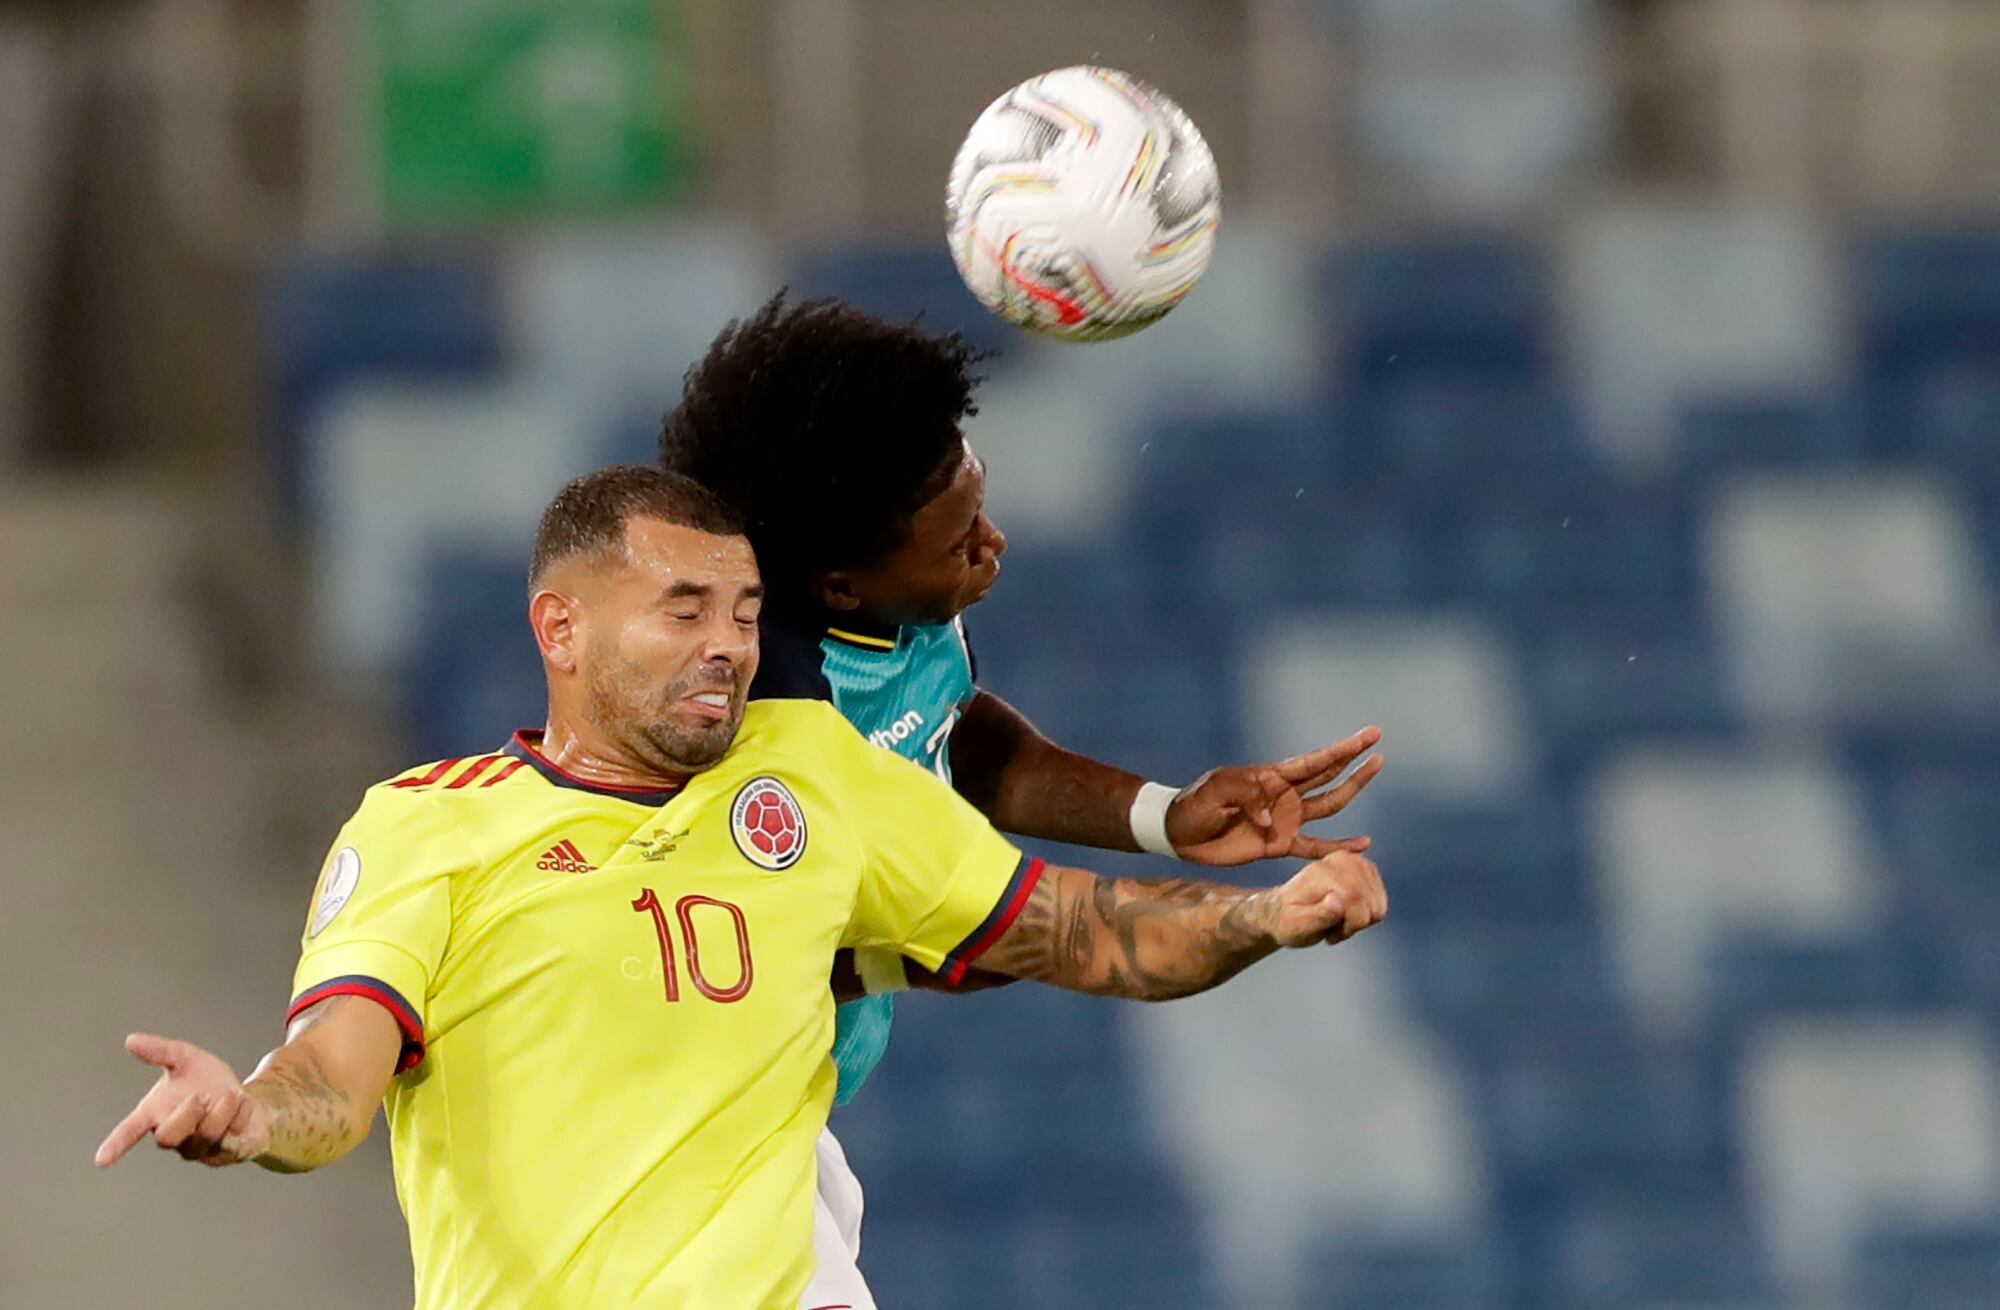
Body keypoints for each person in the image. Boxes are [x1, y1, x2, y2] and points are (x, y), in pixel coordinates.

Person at [94, 465, 1390, 1309]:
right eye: (682, 609)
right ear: (563, 629)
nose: (726, 642)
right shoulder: (429, 827)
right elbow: (334, 1077)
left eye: (743, 608)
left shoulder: (814, 770)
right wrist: (247, 1114)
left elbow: (1082, 932)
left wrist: (1264, 918)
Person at [660, 295, 1386, 1307]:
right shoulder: (744, 722)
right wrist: (951, 944)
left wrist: (1161, 815)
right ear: (835, 586)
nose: (992, 545)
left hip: (781, 1120)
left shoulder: (893, 617)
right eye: (958, 540)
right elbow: (725, 950)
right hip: (683, 1142)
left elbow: (951, 733)